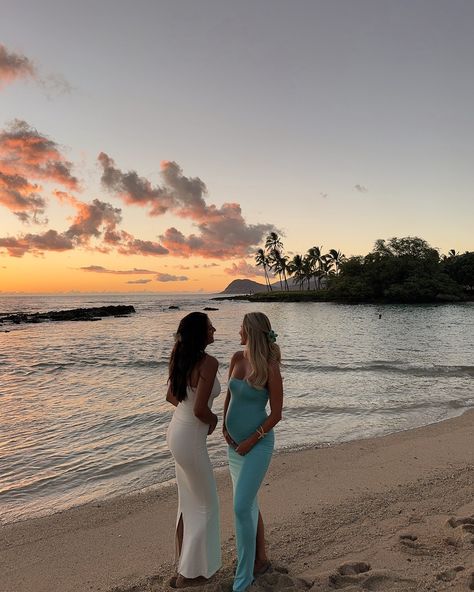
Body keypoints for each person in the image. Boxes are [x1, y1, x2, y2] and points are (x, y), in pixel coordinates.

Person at [223, 312, 283, 592]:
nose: (238, 332)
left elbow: (276, 414)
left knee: (239, 506)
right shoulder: (237, 358)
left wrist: (252, 439)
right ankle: (260, 560)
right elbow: (229, 396)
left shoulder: (270, 367)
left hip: (258, 446)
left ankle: (242, 580)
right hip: (234, 447)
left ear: (252, 331)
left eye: (242, 328)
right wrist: (224, 427)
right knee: (248, 504)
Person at [166, 312, 221, 588]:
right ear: (200, 332)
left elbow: (172, 397)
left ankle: (185, 565)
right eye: (210, 326)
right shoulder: (209, 363)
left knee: (187, 502)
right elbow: (201, 409)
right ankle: (188, 574)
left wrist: (192, 418)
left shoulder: (178, 356)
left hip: (176, 432)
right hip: (190, 439)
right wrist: (214, 421)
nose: (214, 329)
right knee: (207, 505)